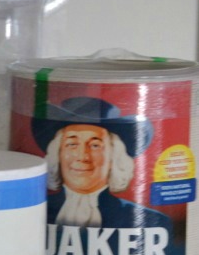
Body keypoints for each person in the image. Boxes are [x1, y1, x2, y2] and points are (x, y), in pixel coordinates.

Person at [32, 96, 169, 230]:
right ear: (58, 154)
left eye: (95, 145)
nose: (82, 156)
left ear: (114, 157)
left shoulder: (151, 221)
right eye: (72, 144)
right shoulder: (31, 211)